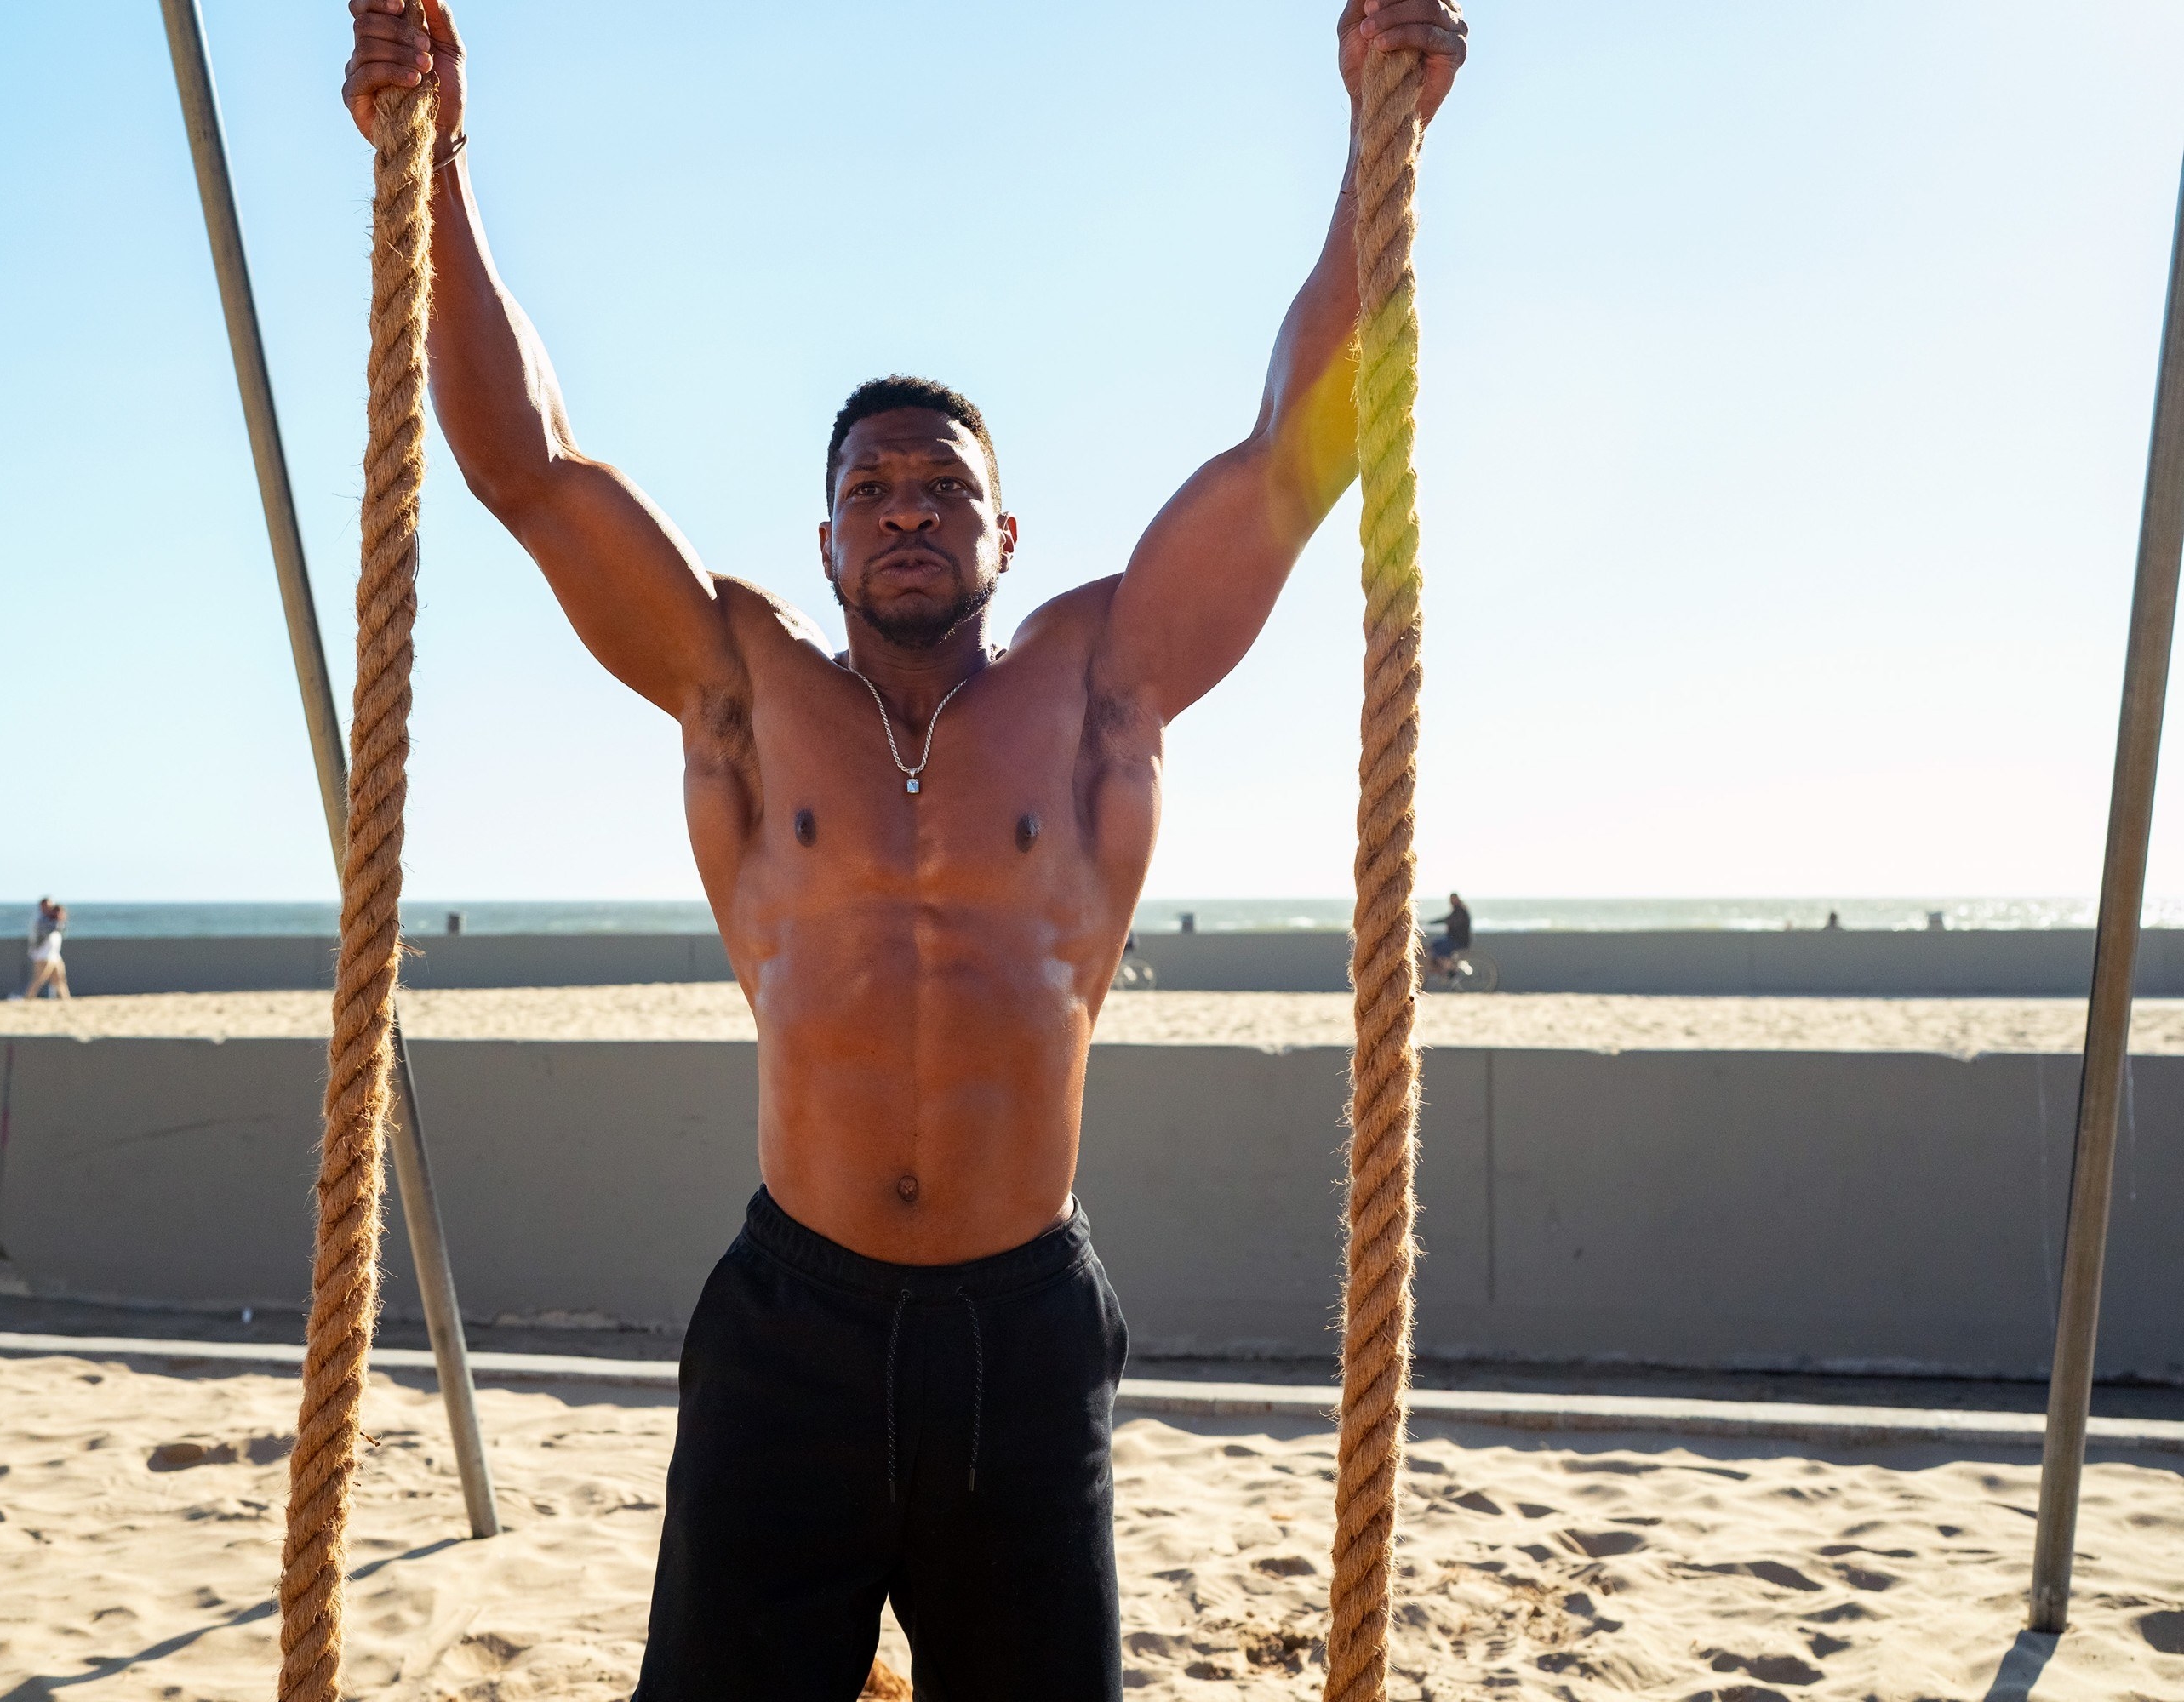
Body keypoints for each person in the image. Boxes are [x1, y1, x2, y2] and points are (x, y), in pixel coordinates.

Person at [343, 2, 1468, 1694]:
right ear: (825, 533)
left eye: (943, 486)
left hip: (1019, 1336)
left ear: (1004, 528)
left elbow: (1296, 464)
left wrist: (1376, 141)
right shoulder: (743, 687)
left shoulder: (1103, 683)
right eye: (871, 488)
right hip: (789, 1331)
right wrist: (438, 161)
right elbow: (528, 466)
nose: (907, 511)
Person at [20, 902, 71, 1000]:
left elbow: (62, 930)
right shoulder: (43, 921)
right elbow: (50, 929)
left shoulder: (55, 922)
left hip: (54, 956)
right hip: (43, 956)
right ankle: (28, 998)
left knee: (59, 979)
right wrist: (59, 919)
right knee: (39, 980)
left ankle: (65, 999)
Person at [1428, 891, 1472, 968]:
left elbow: (1453, 922)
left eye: (1454, 899)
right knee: (1435, 944)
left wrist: (1449, 924)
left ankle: (1449, 968)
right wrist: (1431, 922)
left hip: (1458, 941)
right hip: (1454, 939)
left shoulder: (1461, 911)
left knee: (1438, 947)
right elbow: (1446, 919)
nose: (1452, 902)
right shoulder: (1457, 911)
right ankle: (1446, 966)